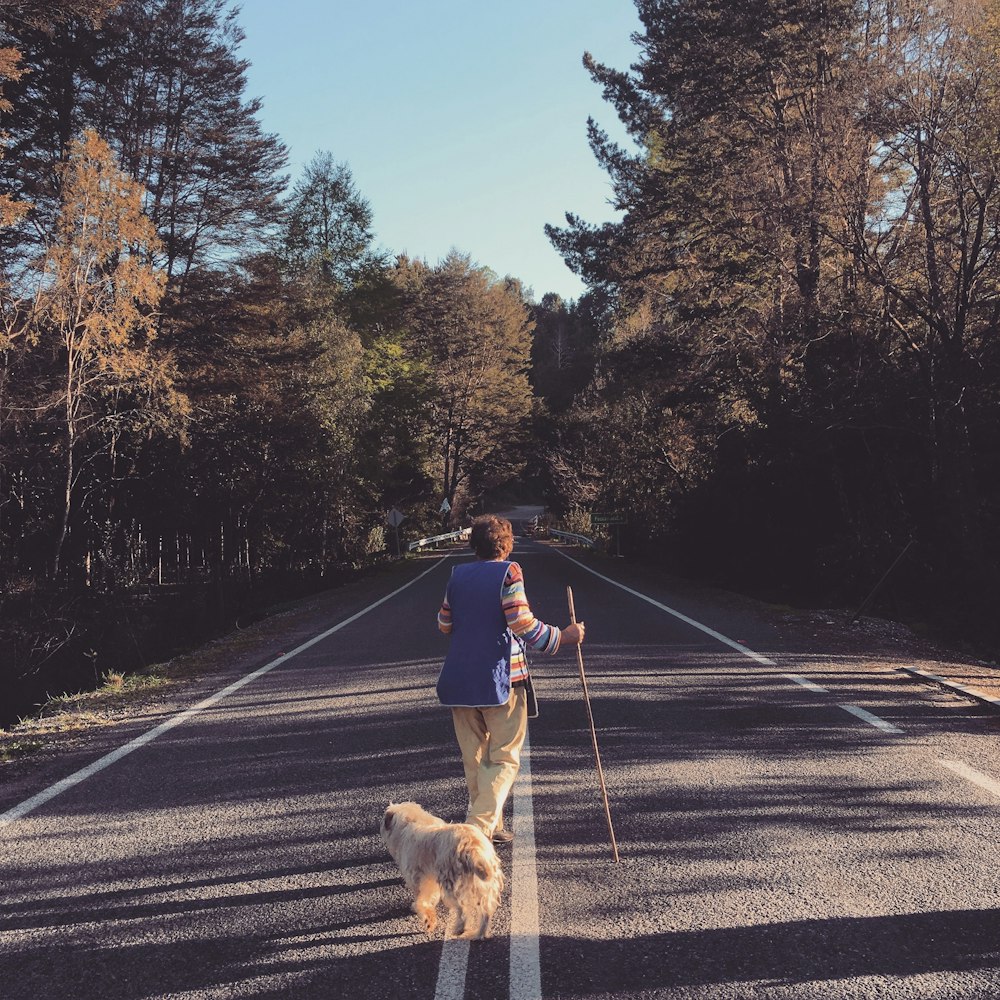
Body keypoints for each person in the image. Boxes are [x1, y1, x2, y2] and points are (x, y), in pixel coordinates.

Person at [436, 513, 585, 844]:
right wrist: (564, 636)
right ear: (506, 545)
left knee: (475, 759)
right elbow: (522, 623)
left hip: (459, 681)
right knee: (504, 758)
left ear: (474, 544)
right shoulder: (509, 572)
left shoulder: (456, 575)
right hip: (502, 680)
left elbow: (444, 624)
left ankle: (494, 825)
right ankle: (475, 829)